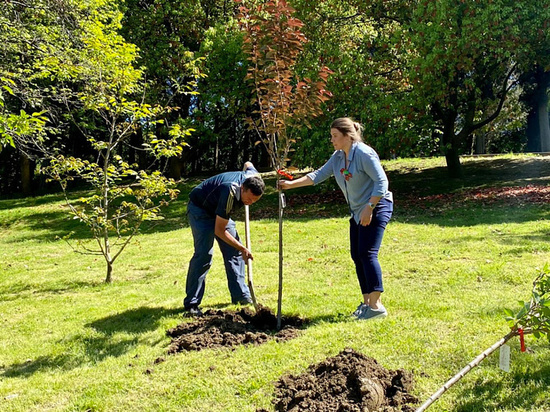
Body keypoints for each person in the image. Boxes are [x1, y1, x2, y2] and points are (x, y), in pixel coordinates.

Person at [279, 117, 393, 320]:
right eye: (331, 136)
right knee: (357, 255)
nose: (332, 140)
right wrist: (290, 185)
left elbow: (382, 183)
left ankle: (376, 306)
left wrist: (370, 207)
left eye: (335, 136)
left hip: (377, 205)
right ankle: (367, 304)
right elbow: (318, 175)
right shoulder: (339, 156)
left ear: (348, 136)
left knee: (367, 253)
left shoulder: (364, 154)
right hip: (358, 210)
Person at [184, 162, 265, 316]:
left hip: (219, 210)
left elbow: (248, 163)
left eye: (255, 201)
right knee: (203, 256)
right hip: (200, 210)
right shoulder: (230, 192)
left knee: (234, 252)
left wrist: (239, 249)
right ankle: (192, 305)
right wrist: (243, 248)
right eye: (249, 199)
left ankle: (241, 296)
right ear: (243, 188)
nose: (250, 203)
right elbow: (219, 230)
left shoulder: (254, 178)